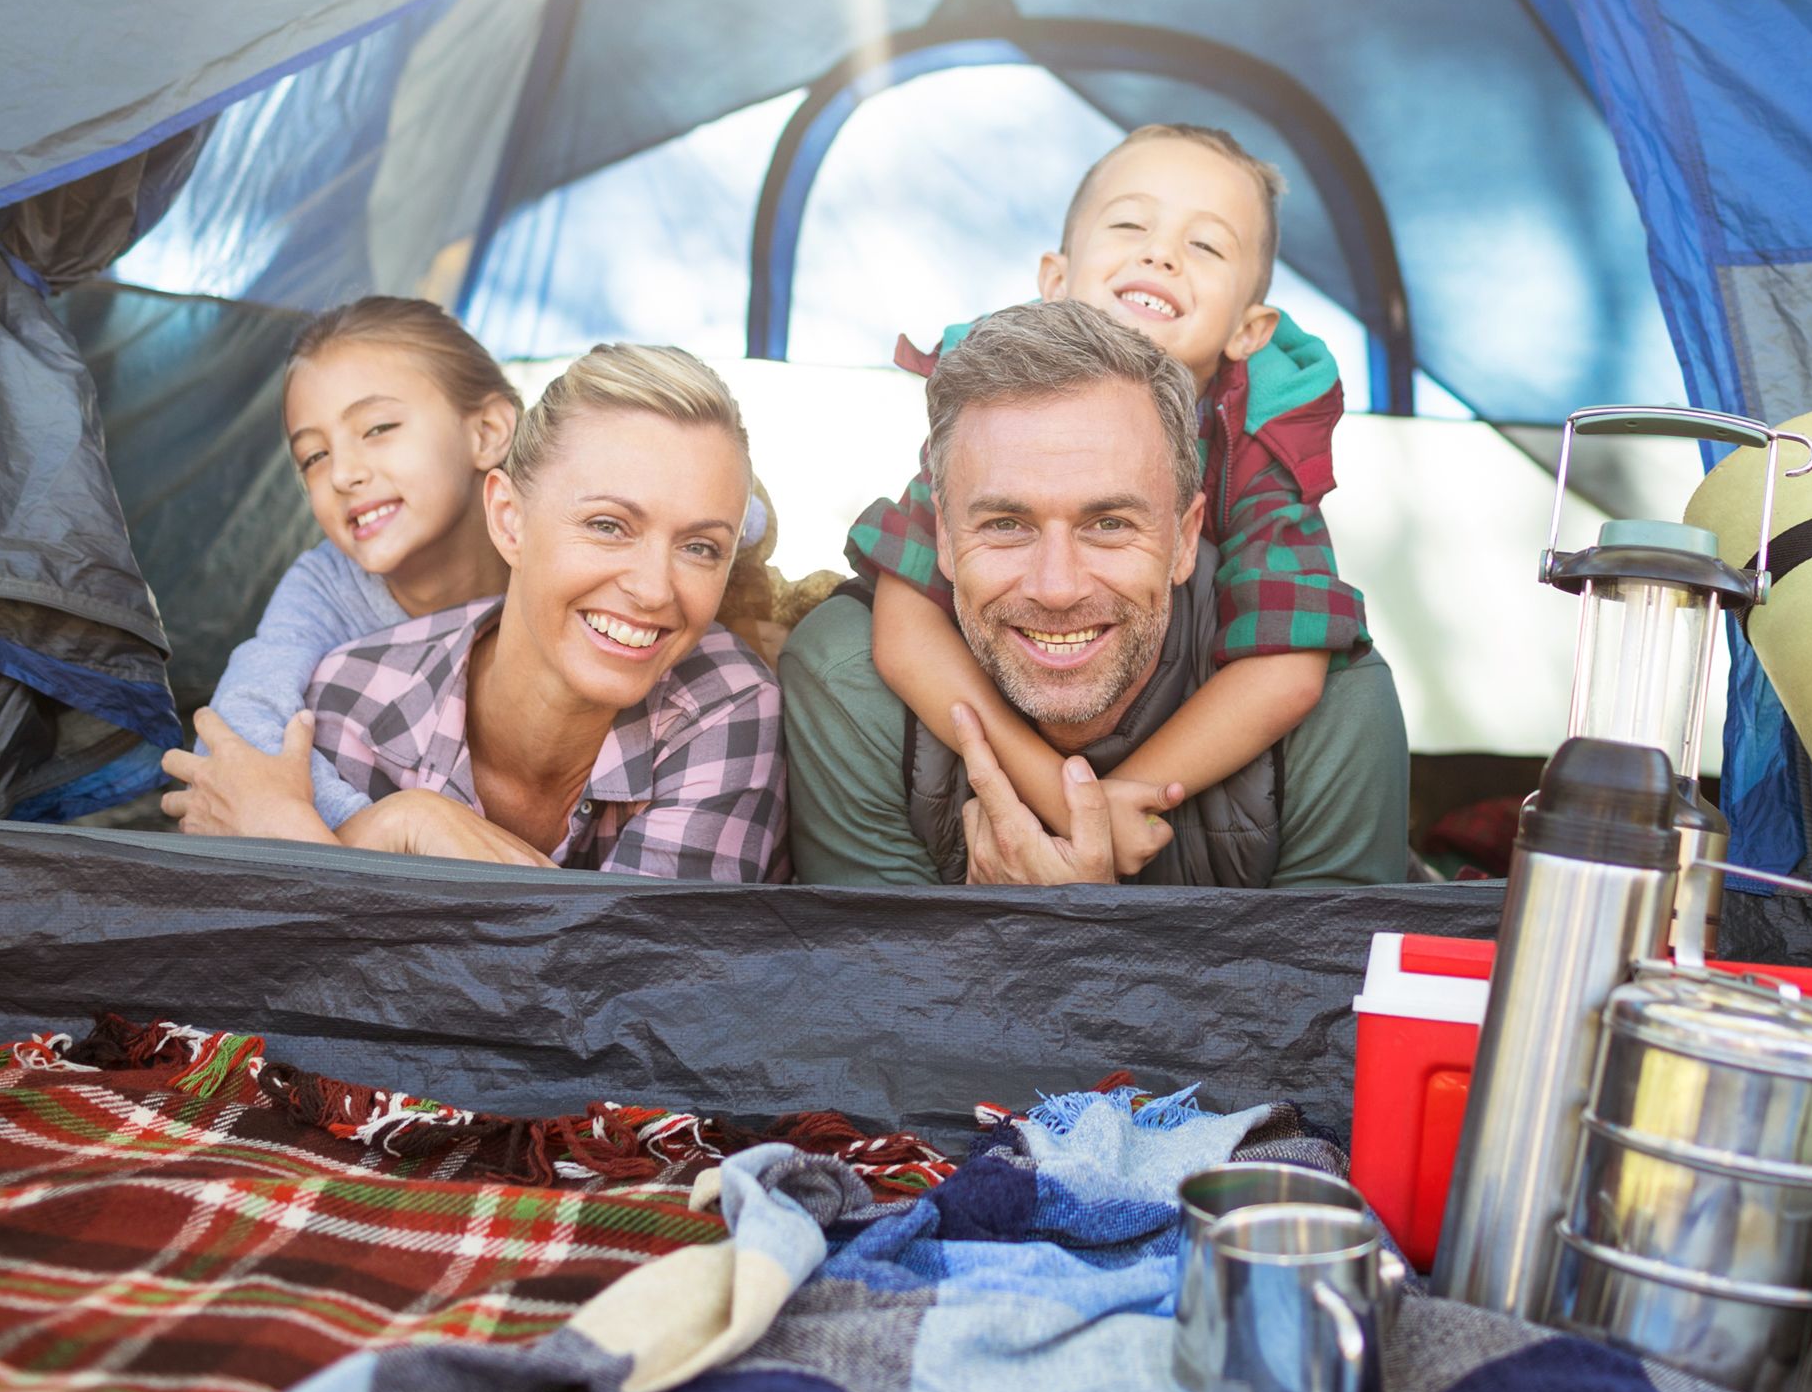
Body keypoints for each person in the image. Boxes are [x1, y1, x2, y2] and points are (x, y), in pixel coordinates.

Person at [849, 124, 1372, 852]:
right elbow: (906, 623)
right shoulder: (995, 404)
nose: (1160, 253)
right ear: (1056, 282)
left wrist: (1131, 801)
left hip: (1166, 713)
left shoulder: (1261, 437)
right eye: (1130, 224)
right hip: (1028, 700)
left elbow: (1287, 662)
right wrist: (1061, 800)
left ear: (1249, 331)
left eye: (1207, 245)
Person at [782, 298, 1408, 887]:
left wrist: (1079, 922)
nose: (1057, 588)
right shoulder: (846, 681)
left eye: (1109, 524)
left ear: (1185, 539)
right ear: (942, 536)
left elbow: (1329, 996)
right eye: (1006, 525)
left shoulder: (1332, 711)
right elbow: (865, 993)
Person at [162, 343, 788, 878]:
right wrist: (404, 827)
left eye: (701, 547)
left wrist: (357, 840)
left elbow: (636, 992)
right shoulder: (353, 700)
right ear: (509, 521)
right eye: (608, 525)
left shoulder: (726, 704)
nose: (654, 589)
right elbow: (285, 974)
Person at [204, 296, 524, 830]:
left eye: (377, 428)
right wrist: (387, 835)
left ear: (487, 431)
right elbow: (235, 732)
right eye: (313, 456)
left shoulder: (558, 556)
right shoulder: (328, 584)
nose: (342, 474)